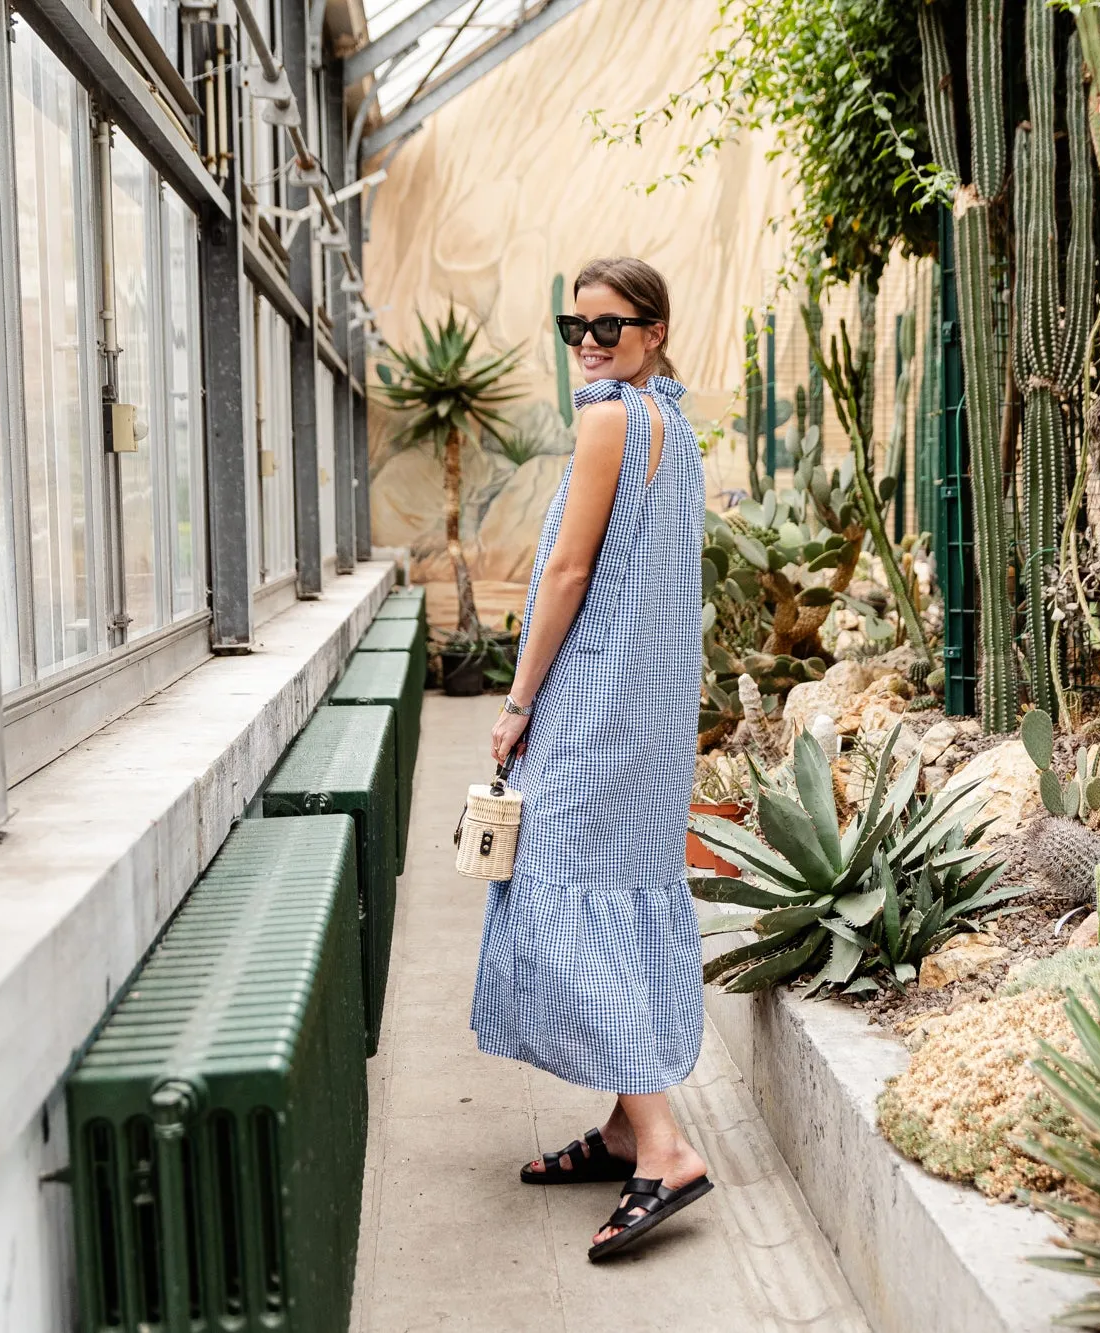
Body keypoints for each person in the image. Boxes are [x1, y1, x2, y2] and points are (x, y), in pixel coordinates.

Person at [476, 256, 713, 1261]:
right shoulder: (676, 425)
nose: (587, 344)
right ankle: (623, 1127)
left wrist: (520, 699)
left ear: (653, 332)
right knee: (619, 888)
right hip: (651, 712)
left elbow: (568, 569)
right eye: (574, 326)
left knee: (555, 890)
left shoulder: (610, 417)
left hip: (592, 704)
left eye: (608, 328)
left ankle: (663, 1144)